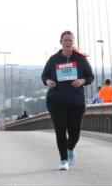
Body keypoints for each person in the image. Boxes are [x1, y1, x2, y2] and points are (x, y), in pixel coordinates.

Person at [41, 30, 95, 171]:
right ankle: (63, 160)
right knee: (60, 129)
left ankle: (70, 148)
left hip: (76, 101)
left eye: (70, 40)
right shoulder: (53, 59)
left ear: (73, 42)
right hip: (56, 100)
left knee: (74, 132)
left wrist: (82, 80)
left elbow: (90, 77)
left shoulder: (81, 59)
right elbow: (44, 75)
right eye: (65, 40)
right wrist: (48, 82)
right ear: (61, 42)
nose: (67, 42)